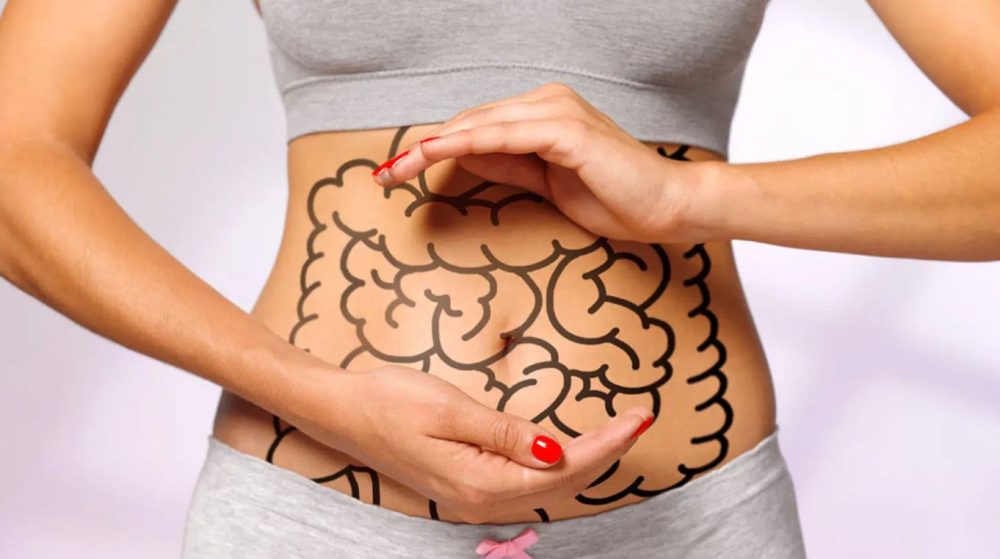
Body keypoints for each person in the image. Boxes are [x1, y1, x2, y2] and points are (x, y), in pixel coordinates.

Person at [0, 0, 996, 557]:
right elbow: (13, 159)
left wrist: (687, 197)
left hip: (691, 523)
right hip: (316, 513)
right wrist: (318, 397)